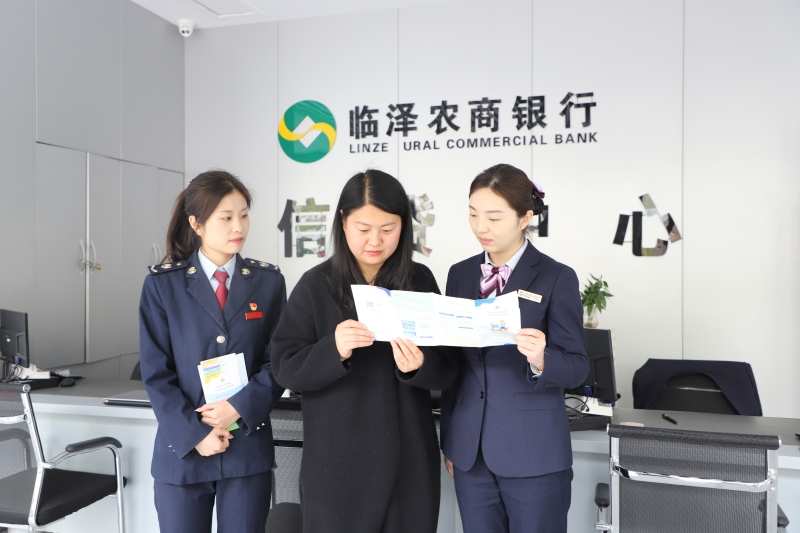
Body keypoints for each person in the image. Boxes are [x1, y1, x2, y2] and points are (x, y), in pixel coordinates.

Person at [271, 170, 457, 533]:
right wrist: (333, 350)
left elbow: (450, 367)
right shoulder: (316, 285)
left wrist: (421, 365)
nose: (375, 241)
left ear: (404, 225)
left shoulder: (419, 281)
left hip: (408, 464)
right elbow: (285, 367)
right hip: (337, 471)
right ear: (343, 221)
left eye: (388, 229)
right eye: (363, 229)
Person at [440, 163, 589, 533]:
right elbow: (457, 366)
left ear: (525, 217)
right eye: (473, 214)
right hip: (471, 455)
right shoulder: (459, 274)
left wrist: (541, 359)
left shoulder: (556, 276)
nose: (481, 227)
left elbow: (577, 367)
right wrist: (452, 442)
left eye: (494, 217)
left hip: (534, 454)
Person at [139, 170, 285, 533]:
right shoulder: (163, 285)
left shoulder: (268, 282)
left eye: (244, 215)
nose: (239, 226)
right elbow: (156, 373)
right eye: (226, 217)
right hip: (184, 450)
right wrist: (195, 434)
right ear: (196, 223)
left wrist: (239, 406)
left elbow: (279, 361)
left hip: (246, 446)